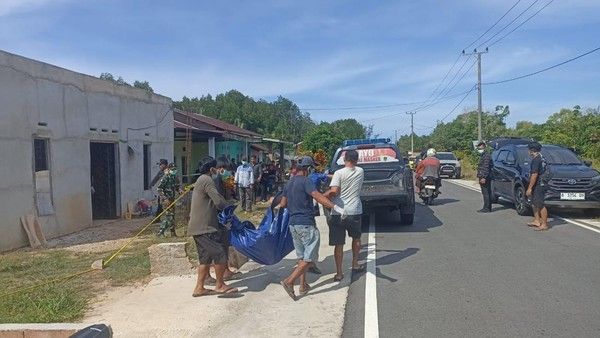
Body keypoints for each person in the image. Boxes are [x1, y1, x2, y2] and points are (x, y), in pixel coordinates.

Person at [275, 156, 346, 301]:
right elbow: (317, 196)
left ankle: (303, 285)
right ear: (308, 169)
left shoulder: (289, 183)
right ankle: (289, 281)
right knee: (310, 257)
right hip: (306, 223)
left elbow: (282, 204)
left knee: (302, 257)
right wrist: (334, 207)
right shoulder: (306, 181)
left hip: (293, 224)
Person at [188, 156, 238, 297]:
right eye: (216, 168)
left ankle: (199, 288)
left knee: (205, 258)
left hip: (197, 226)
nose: (218, 171)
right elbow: (218, 202)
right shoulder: (207, 180)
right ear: (211, 169)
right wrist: (230, 204)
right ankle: (220, 285)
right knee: (220, 253)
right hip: (205, 227)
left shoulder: (200, 180)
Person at [323, 150, 365, 282]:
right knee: (356, 238)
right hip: (355, 211)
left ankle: (339, 273)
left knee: (339, 244)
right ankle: (355, 263)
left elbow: (334, 191)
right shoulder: (360, 171)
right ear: (356, 160)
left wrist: (324, 196)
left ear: (345, 159)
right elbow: (347, 176)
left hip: (338, 212)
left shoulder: (338, 173)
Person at [526, 142, 549, 231]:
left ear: (532, 150)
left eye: (529, 149)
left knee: (540, 204)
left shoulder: (536, 160)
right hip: (540, 183)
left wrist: (530, 188)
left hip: (539, 184)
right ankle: (536, 220)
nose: (528, 151)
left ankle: (544, 224)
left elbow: (534, 174)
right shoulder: (542, 158)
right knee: (534, 202)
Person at [157, 162, 180, 237]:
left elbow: (177, 186)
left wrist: (179, 190)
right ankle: (160, 232)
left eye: (175, 169)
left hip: (172, 199)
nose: (174, 171)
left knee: (172, 216)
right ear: (169, 169)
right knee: (169, 216)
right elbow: (159, 189)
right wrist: (165, 198)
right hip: (166, 200)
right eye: (173, 169)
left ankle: (172, 233)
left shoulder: (175, 177)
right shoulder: (165, 177)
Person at [476, 141, 493, 213]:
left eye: (480, 148)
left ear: (484, 147)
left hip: (485, 177)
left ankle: (487, 208)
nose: (479, 149)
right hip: (483, 176)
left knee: (486, 193)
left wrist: (483, 177)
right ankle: (487, 207)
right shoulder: (483, 155)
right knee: (486, 192)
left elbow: (486, 167)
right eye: (478, 148)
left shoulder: (486, 156)